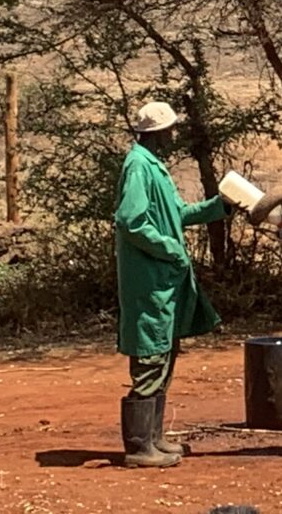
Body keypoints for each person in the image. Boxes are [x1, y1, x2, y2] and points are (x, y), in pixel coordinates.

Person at [113, 100, 233, 468]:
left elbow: (175, 214)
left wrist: (220, 206)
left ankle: (154, 438)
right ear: (158, 132)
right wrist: (170, 249)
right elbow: (130, 221)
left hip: (162, 281)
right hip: (149, 281)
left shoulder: (152, 165)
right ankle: (138, 447)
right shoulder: (138, 166)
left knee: (163, 353)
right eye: (170, 129)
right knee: (150, 356)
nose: (173, 135)